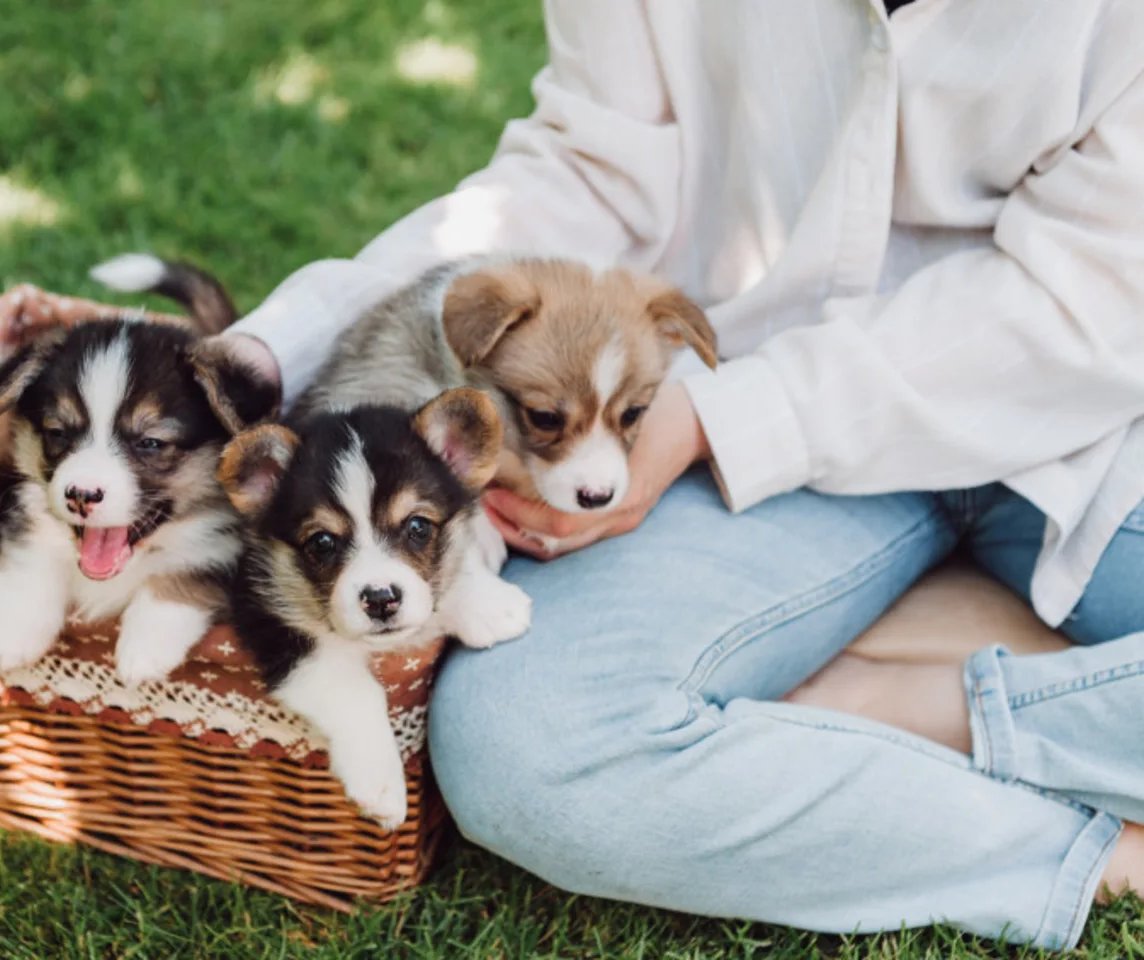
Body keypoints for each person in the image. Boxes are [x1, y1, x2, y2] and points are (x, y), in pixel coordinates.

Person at [218, 0, 1144, 947]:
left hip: (1082, 427)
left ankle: (890, 697)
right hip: (751, 443)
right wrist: (273, 350)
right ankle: (1100, 853)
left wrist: (720, 416)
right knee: (532, 745)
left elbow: (1101, 289)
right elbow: (586, 167)